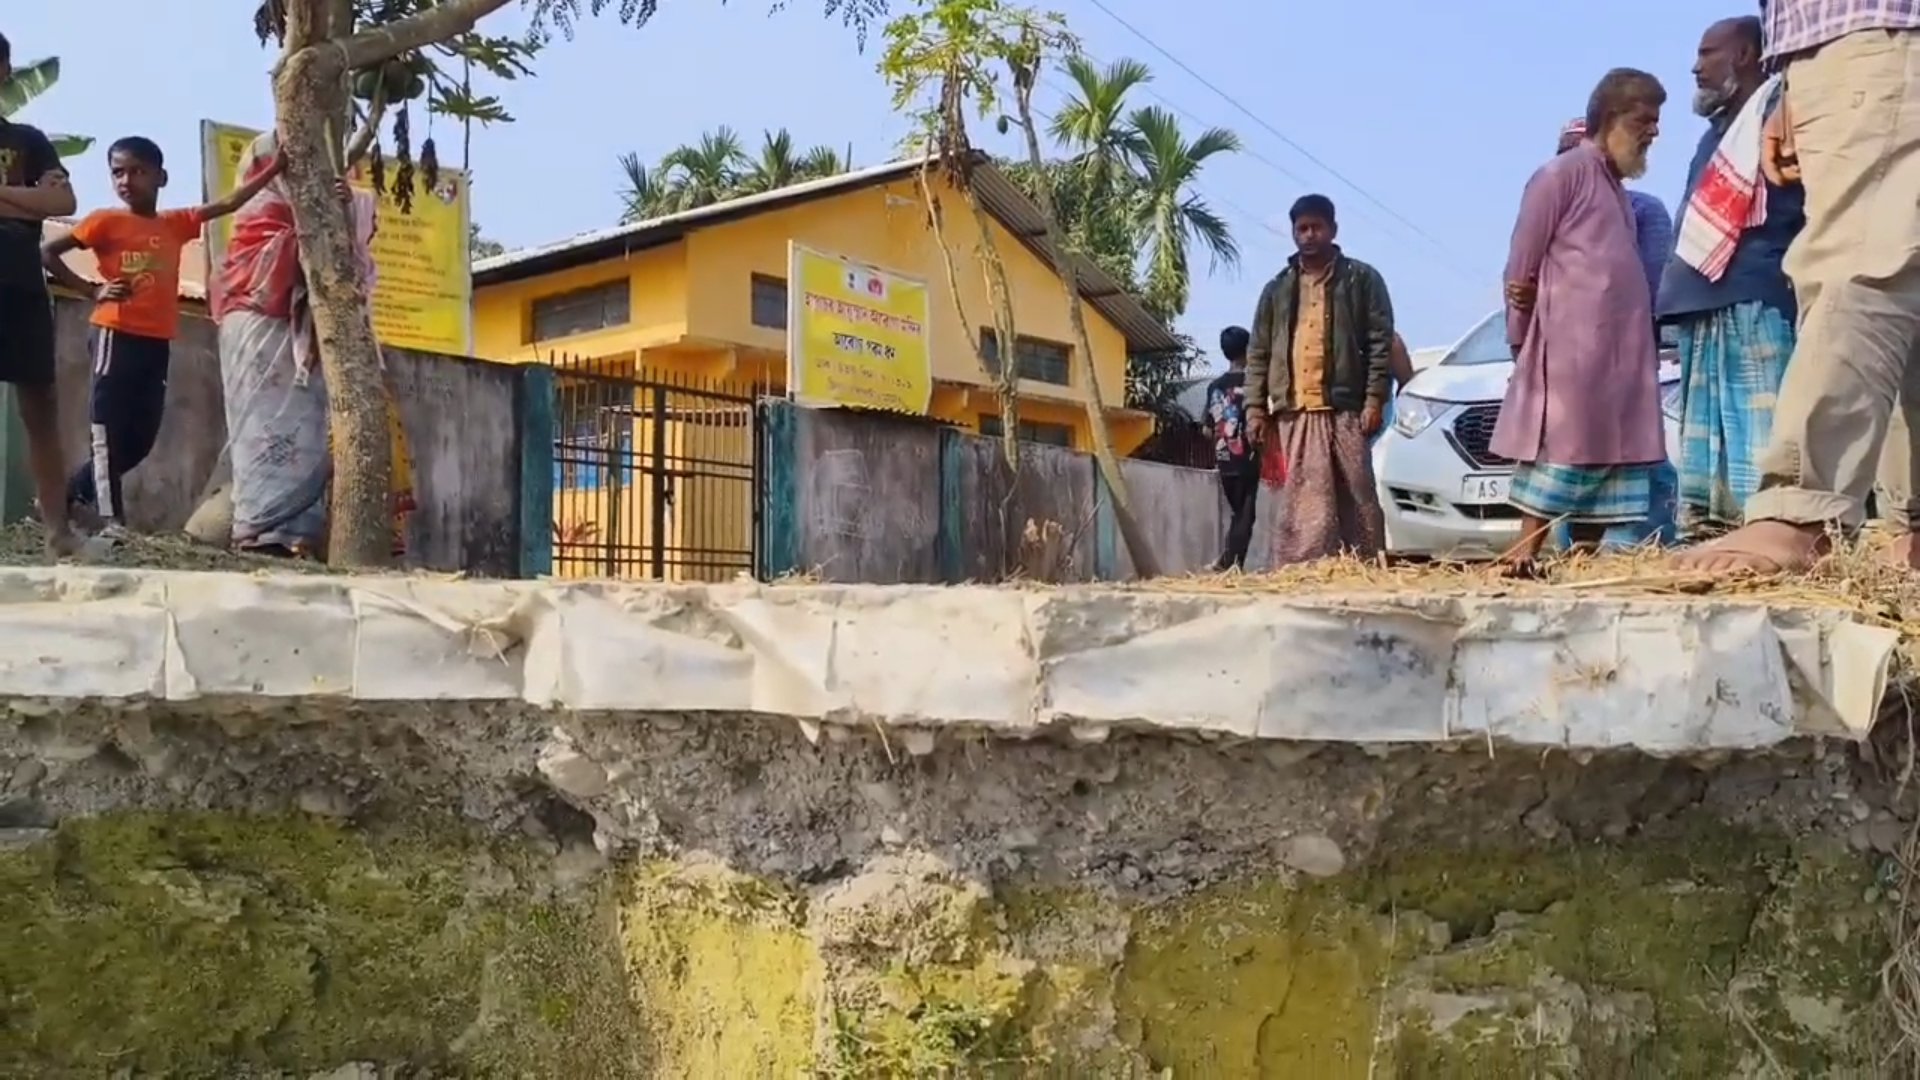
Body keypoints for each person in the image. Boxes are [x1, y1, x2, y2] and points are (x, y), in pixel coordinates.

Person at [1679, 2, 1920, 573]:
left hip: (1881, 34)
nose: (1696, 67)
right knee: (1896, 270)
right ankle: (1908, 527)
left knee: (1861, 262)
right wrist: (1793, 78)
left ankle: (1802, 512)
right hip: (1846, 46)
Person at [41, 136, 284, 534]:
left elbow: (229, 204)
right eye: (118, 172)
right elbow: (49, 253)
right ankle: (111, 523)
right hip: (114, 333)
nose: (126, 180)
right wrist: (92, 290)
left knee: (139, 441)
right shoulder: (105, 221)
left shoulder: (175, 224)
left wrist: (274, 169)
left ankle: (65, 494)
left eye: (137, 171)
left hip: (155, 341)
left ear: (161, 177)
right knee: (106, 430)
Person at [1496, 69, 1670, 573]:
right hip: (1572, 352)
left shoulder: (1620, 188)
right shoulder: (1561, 174)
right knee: (1561, 451)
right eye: (1644, 120)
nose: (1653, 132)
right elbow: (1521, 265)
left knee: (1610, 460)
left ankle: (1580, 565)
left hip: (1622, 357)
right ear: (1609, 118)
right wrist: (1520, 333)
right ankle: (1521, 559)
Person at [213, 131, 415, 559]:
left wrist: (342, 206)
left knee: (318, 434)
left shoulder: (338, 205)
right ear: (264, 171)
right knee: (264, 432)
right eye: (291, 168)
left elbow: (350, 263)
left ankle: (311, 538)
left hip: (319, 338)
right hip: (256, 331)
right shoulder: (251, 232)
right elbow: (282, 265)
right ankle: (262, 535)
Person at [1655, 16, 1802, 538]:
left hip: (1757, 296)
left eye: (1707, 52)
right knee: (1706, 442)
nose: (1696, 66)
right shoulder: (1718, 134)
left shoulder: (1781, 114)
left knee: (1761, 435)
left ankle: (1767, 532)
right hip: (1703, 302)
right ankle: (1710, 538)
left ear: (1744, 55)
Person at [1243, 193, 1393, 565]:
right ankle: (1301, 570)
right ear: (1293, 233)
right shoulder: (1276, 290)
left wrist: (1374, 399)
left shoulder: (1362, 280)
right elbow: (1258, 352)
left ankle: (1361, 567)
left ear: (1333, 229)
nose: (1309, 235)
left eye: (1317, 227)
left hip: (1345, 409)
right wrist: (1255, 410)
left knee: (1357, 493)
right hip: (1293, 411)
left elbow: (1380, 343)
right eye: (1302, 228)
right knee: (1300, 499)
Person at [0, 32, 80, 558]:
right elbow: (43, 200)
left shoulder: (28, 140)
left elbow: (63, 198)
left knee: (40, 407)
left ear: (6, 69)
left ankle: (59, 535)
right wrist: (28, 200)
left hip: (21, 283)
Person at [1203, 325, 1258, 571]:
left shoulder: (1214, 387)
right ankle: (1229, 564)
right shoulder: (1253, 385)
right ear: (1248, 350)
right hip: (1248, 457)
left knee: (1238, 513)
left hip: (1223, 458)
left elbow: (1206, 428)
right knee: (1246, 515)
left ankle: (1229, 562)